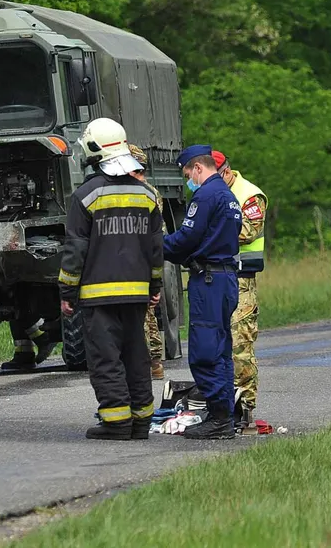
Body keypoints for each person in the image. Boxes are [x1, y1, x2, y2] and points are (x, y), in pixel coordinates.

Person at [58, 119, 163, 440]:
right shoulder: (146, 196)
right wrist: (155, 287)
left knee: (106, 359)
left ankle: (117, 422)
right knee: (136, 356)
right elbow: (155, 249)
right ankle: (142, 421)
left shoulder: (85, 196)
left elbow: (76, 248)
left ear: (93, 149)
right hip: (136, 295)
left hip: (97, 297)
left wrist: (66, 290)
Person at [164, 145, 242, 440]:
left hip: (209, 281)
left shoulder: (206, 195)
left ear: (198, 168)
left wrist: (156, 245)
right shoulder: (228, 195)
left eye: (187, 173)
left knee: (205, 351)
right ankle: (223, 415)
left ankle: (219, 419)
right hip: (224, 278)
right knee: (221, 352)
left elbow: (188, 237)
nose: (188, 179)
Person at [211, 150, 267, 426]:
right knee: (214, 344)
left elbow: (248, 232)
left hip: (242, 279)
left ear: (226, 171)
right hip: (215, 277)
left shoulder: (249, 195)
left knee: (239, 345)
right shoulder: (211, 193)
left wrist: (209, 230)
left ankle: (245, 407)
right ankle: (220, 406)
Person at [128, 143, 168, 380]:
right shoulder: (149, 192)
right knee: (146, 313)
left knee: (145, 314)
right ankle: (153, 361)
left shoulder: (146, 193)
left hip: (140, 262)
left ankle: (151, 361)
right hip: (141, 261)